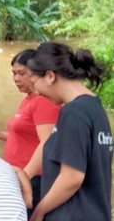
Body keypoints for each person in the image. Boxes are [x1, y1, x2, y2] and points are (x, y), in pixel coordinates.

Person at [27, 42, 112, 221]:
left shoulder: (73, 113)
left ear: (50, 76)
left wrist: (39, 211)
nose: (36, 91)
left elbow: (72, 177)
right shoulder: (94, 108)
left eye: (35, 82)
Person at [0, 49, 60, 217]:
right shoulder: (28, 100)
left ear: (36, 73)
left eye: (21, 73)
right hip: (19, 175)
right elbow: (23, 138)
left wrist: (24, 177)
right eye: (13, 73)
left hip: (34, 179)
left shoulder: (43, 101)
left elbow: (47, 142)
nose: (16, 79)